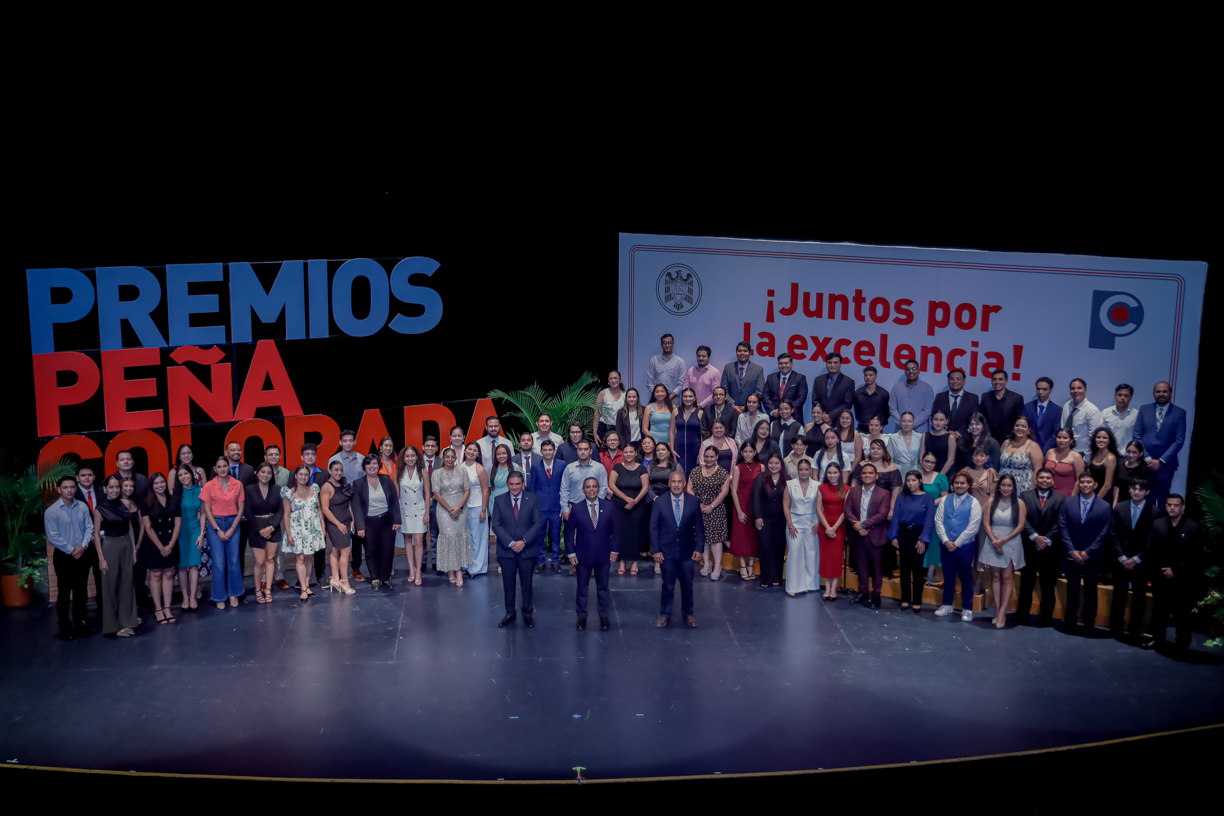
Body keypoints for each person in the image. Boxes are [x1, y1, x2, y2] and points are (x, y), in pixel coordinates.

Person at [1058, 470, 1113, 636]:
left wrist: (1088, 552)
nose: (1085, 485)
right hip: (1071, 555)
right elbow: (1062, 526)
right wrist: (1072, 550)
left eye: (1089, 482)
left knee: (1091, 591)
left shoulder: (1105, 506)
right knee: (1072, 590)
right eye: (1082, 482)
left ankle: (1089, 624)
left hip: (1092, 557)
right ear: (1078, 484)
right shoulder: (1068, 502)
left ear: (1095, 485)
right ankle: (1070, 622)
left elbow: (1104, 532)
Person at [1150, 494, 1205, 652]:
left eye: (1175, 505)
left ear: (1183, 507)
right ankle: (1158, 641)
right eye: (1169, 505)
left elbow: (1193, 554)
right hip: (1161, 576)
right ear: (1166, 506)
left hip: (1183, 578)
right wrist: (1162, 568)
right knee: (1159, 611)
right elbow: (1151, 548)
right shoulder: (1157, 524)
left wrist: (1174, 570)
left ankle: (1182, 645)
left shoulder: (1192, 527)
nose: (1172, 507)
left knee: (1182, 614)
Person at [650, 471, 706, 628]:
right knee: (667, 585)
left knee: (687, 584)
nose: (676, 485)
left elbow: (700, 528)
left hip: (687, 551)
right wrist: (655, 550)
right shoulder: (659, 502)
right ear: (669, 484)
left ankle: (688, 613)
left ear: (684, 484)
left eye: (679, 482)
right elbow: (653, 528)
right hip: (666, 552)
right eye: (673, 482)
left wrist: (699, 548)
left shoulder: (694, 501)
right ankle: (664, 614)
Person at [1109, 477, 1161, 643]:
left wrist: (1137, 558)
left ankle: (1134, 632)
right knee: (1119, 597)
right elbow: (1113, 534)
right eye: (1133, 488)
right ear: (1129, 489)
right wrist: (1123, 557)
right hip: (1121, 560)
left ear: (1147, 492)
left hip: (1141, 562)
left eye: (1140, 489)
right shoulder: (1119, 508)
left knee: (1139, 599)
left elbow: (1153, 541)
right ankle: (1116, 630)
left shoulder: (1155, 512)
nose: (1136, 491)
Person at [492, 471, 543, 627]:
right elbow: (496, 525)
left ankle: (527, 613)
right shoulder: (499, 500)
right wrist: (511, 543)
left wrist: (524, 541)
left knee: (527, 583)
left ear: (523, 484)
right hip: (506, 551)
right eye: (511, 484)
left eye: (517, 484)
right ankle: (510, 613)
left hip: (527, 550)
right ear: (507, 484)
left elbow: (538, 524)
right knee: (508, 584)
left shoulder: (533, 499)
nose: (514, 487)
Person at [46, 475, 94, 639]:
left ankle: (80, 619)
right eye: (65, 487)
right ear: (59, 489)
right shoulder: (52, 511)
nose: (69, 490)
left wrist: (83, 546)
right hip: (64, 556)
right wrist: (72, 550)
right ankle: (64, 625)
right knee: (64, 592)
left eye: (72, 487)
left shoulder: (82, 506)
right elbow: (53, 537)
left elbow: (89, 527)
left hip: (83, 553)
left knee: (81, 590)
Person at [568, 477, 619, 630]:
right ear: (583, 490)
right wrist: (571, 553)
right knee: (582, 588)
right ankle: (581, 618)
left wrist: (615, 550)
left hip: (604, 555)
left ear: (599, 489)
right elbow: (570, 533)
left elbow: (616, 531)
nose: (591, 489)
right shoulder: (576, 508)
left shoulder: (609, 507)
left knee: (603, 588)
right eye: (588, 487)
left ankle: (604, 617)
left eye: (594, 486)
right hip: (582, 556)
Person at [1016, 468, 1065, 626]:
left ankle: (1046, 618)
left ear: (1052, 481)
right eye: (1041, 478)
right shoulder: (1024, 496)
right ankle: (1022, 614)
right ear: (1036, 480)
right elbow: (1022, 519)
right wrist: (1035, 536)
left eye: (1047, 478)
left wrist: (1047, 539)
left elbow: (1060, 522)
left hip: (1050, 550)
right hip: (1029, 547)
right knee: (1026, 584)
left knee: (1048, 586)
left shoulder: (1061, 499)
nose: (1044, 480)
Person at [92, 475, 139, 637]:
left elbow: (130, 528)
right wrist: (101, 558)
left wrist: (133, 551)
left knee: (127, 584)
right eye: (111, 487)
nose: (114, 490)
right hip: (110, 547)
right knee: (110, 586)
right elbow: (96, 534)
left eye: (117, 487)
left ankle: (128, 622)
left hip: (126, 544)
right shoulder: (100, 509)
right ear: (105, 489)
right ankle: (114, 626)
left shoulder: (126, 503)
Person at [933, 471, 982, 621]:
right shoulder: (945, 499)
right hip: (946, 545)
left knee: (966, 577)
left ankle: (967, 608)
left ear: (968, 485)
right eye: (957, 483)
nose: (959, 485)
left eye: (962, 483)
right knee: (948, 576)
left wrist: (957, 543)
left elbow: (973, 527)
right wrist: (946, 540)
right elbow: (938, 520)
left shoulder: (974, 502)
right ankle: (947, 605)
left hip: (964, 547)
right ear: (952, 485)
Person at [981, 474, 1026, 629]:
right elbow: (986, 524)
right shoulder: (991, 501)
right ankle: (997, 610)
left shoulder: (1019, 503)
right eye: (1003, 485)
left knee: (1007, 577)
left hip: (1011, 542)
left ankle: (1002, 613)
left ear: (1013, 488)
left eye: (1009, 486)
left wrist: (1002, 541)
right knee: (995, 577)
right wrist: (995, 542)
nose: (1006, 488)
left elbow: (1020, 526)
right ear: (999, 486)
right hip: (992, 541)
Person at [1132, 381, 1187, 506]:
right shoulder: (1144, 409)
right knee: (1144, 499)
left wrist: (1161, 461)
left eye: (1164, 391)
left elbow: (1179, 441)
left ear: (1170, 394)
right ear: (1153, 393)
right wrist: (1147, 458)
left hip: (1166, 466)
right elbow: (1137, 435)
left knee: (1163, 500)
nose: (1161, 394)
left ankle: (1161, 525)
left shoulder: (1179, 413)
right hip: (1145, 464)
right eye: (1158, 391)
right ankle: (1145, 525)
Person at [352, 453, 402, 591]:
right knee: (371, 551)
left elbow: (394, 501)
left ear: (379, 465)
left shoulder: (386, 479)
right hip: (369, 523)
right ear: (364, 467)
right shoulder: (358, 484)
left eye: (374, 463)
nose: (372, 466)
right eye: (369, 464)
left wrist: (397, 520)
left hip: (386, 521)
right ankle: (374, 578)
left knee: (387, 550)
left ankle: (385, 578)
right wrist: (360, 527)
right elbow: (356, 507)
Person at [887, 471, 935, 612]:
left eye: (914, 480)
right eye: (908, 480)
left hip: (919, 534)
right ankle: (905, 598)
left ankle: (917, 600)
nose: (911, 483)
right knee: (905, 566)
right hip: (903, 533)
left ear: (920, 481)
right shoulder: (902, 497)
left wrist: (923, 539)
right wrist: (893, 536)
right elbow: (895, 517)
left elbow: (929, 520)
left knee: (917, 567)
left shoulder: (928, 498)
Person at [845, 463, 892, 607]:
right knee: (861, 566)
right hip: (858, 535)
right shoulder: (854, 491)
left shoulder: (884, 493)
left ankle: (876, 595)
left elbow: (882, 514)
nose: (867, 475)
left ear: (876, 476)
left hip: (875, 536)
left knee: (877, 568)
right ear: (861, 475)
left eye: (870, 473)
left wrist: (863, 525)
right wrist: (857, 526)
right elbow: (847, 511)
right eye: (864, 473)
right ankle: (863, 592)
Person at [201, 455, 244, 610]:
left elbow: (241, 509)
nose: (222, 469)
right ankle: (219, 596)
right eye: (219, 467)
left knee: (233, 562)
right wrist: (217, 529)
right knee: (218, 563)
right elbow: (206, 510)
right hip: (215, 525)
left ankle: (234, 593)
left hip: (233, 523)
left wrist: (232, 528)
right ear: (215, 468)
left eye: (224, 466)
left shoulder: (237, 484)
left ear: (228, 467)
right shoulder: (208, 486)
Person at [109, 450, 152, 606]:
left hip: (140, 526)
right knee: (123, 569)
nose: (126, 462)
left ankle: (140, 594)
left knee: (140, 565)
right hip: (119, 530)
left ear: (133, 462)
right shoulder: (111, 481)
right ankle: (126, 601)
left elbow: (147, 503)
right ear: (117, 463)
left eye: (129, 459)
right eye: (122, 459)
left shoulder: (141, 479)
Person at [280, 465, 324, 602]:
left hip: (313, 528)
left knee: (309, 558)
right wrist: (288, 534)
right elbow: (286, 515)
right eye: (301, 474)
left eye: (306, 475)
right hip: (297, 529)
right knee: (300, 559)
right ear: (296, 475)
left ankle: (307, 584)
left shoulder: (315, 488)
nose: (303, 477)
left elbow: (319, 509)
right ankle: (303, 588)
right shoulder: (288, 492)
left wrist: (322, 527)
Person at [329, 429, 366, 581]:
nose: (348, 443)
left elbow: (364, 482)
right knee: (340, 538)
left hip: (358, 502)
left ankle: (355, 568)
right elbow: (331, 481)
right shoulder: (334, 459)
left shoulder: (362, 459)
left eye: (351, 440)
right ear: (340, 442)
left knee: (357, 537)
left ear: (355, 442)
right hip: (340, 504)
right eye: (345, 441)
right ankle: (336, 572)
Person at [689, 446, 731, 581]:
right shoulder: (695, 471)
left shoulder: (723, 473)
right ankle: (706, 563)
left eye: (711, 456)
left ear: (717, 457)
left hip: (716, 509)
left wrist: (711, 506)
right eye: (706, 456)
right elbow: (688, 488)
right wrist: (697, 503)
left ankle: (717, 566)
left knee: (716, 539)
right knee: (703, 538)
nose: (708, 459)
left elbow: (724, 492)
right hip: (698, 508)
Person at [431, 448, 471, 587]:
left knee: (459, 537)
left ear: (455, 458)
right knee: (448, 537)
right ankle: (450, 569)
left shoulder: (462, 471)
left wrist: (459, 507)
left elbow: (467, 490)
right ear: (443, 458)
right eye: (447, 457)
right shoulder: (437, 473)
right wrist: (449, 509)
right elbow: (437, 494)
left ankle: (459, 570)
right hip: (443, 510)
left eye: (452, 457)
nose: (449, 459)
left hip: (460, 508)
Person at [608, 441, 649, 575]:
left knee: (635, 532)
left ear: (635, 453)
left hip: (638, 506)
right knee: (621, 532)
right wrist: (626, 499)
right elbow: (612, 485)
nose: (628, 454)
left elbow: (645, 487)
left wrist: (634, 501)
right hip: (619, 505)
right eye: (626, 452)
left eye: (631, 452)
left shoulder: (642, 468)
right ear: (623, 453)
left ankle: (635, 561)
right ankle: (622, 561)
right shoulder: (617, 467)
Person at [243, 463, 282, 605]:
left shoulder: (277, 489)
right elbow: (247, 511)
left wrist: (271, 527)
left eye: (269, 473)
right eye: (263, 472)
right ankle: (258, 590)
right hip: (256, 529)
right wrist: (260, 529)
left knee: (270, 559)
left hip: (273, 528)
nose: (266, 475)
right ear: (257, 473)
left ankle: (268, 589)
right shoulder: (249, 489)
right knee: (259, 562)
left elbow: (280, 511)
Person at [781, 459, 820, 597]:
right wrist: (790, 525)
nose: (803, 472)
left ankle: (810, 584)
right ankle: (793, 586)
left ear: (810, 470)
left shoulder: (817, 485)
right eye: (801, 469)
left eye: (806, 469)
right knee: (794, 554)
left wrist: (819, 522)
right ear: (798, 470)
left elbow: (822, 506)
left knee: (811, 553)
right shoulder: (790, 484)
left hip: (812, 523)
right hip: (795, 523)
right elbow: (786, 505)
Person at [751, 453, 788, 588]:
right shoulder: (760, 478)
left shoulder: (787, 480)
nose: (773, 466)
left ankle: (777, 577)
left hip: (781, 520)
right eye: (771, 463)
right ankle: (766, 578)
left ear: (781, 465)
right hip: (764, 519)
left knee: (778, 548)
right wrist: (758, 516)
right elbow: (755, 498)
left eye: (776, 463)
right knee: (765, 547)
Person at [319, 460, 356, 594]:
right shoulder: (326, 487)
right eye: (336, 470)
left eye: (341, 470)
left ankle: (334, 579)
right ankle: (344, 581)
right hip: (336, 524)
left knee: (336, 550)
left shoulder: (343, 485)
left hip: (345, 522)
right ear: (329, 470)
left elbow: (348, 505)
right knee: (345, 551)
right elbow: (325, 509)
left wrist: (353, 520)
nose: (339, 472)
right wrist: (338, 524)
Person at [529, 440, 565, 573]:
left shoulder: (562, 465)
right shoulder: (536, 466)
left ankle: (555, 560)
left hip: (556, 507)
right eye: (545, 450)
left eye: (550, 450)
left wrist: (564, 506)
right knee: (539, 535)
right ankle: (541, 560)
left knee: (555, 535)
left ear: (554, 451)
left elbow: (564, 486)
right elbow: (532, 488)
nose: (548, 452)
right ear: (541, 451)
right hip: (540, 507)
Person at [173, 465, 205, 611]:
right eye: (180, 475)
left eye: (186, 473)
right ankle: (185, 597)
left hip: (194, 531)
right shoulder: (175, 494)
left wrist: (202, 533)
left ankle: (193, 597)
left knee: (193, 566)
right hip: (179, 532)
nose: (183, 477)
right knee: (181, 566)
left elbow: (204, 513)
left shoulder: (200, 491)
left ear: (191, 474)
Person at [397, 446, 429, 587]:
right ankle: (411, 569)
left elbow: (427, 493)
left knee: (419, 540)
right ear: (403, 458)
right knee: (408, 540)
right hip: (404, 510)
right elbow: (396, 494)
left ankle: (418, 572)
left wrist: (427, 512)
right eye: (407, 456)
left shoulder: (423, 471)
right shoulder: (399, 472)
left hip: (419, 509)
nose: (410, 459)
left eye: (412, 456)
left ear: (417, 457)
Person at [730, 441, 761, 581]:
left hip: (755, 506)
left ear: (755, 452)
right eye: (745, 452)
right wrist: (739, 511)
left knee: (753, 536)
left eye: (750, 451)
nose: (748, 454)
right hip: (741, 505)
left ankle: (750, 565)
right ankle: (742, 565)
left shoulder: (761, 467)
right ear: (741, 453)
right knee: (741, 536)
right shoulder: (738, 468)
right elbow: (733, 491)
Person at [816, 463, 847, 600]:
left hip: (839, 528)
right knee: (825, 558)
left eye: (835, 473)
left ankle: (833, 589)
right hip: (824, 526)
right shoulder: (821, 488)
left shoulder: (846, 489)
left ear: (839, 473)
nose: (832, 475)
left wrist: (834, 528)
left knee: (835, 558)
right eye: (830, 473)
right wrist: (828, 527)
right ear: (826, 474)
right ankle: (827, 588)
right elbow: (818, 509)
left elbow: (846, 511)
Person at [919, 452, 950, 584]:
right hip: (917, 513)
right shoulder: (915, 475)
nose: (929, 464)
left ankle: (931, 573)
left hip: (935, 513)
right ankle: (918, 572)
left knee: (932, 543)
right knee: (917, 542)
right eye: (927, 461)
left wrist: (930, 504)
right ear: (922, 461)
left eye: (932, 462)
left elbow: (945, 496)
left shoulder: (941, 478)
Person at [460, 443, 491, 575]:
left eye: (475, 450)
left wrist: (483, 510)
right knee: (464, 538)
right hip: (462, 509)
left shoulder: (480, 469)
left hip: (477, 507)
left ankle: (477, 568)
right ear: (465, 450)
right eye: (469, 449)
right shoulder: (458, 467)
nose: (471, 452)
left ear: (478, 454)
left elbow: (485, 491)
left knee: (478, 539)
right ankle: (465, 565)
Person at [998, 417, 1044, 493]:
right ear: (1013, 428)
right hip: (1003, 487)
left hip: (1024, 488)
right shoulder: (1006, 443)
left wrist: (1031, 491)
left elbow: (1037, 470)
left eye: (1024, 426)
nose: (1020, 428)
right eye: (1017, 425)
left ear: (1029, 430)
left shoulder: (1033, 446)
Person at [979, 370, 1024, 445]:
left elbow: (1018, 421)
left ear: (1006, 381)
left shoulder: (1016, 398)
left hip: (1008, 441)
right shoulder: (985, 397)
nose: (997, 382)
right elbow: (981, 418)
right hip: (987, 440)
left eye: (1000, 379)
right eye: (994, 379)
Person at [1060, 379, 1103, 456]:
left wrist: (1087, 456)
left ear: (1085, 390)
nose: (1076, 391)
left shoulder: (1092, 410)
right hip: (1065, 450)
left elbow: (1093, 436)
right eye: (1073, 388)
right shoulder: (1067, 405)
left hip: (1082, 452)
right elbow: (1063, 427)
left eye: (1079, 388)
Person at [890, 359, 934, 433]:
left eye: (914, 369)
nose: (911, 371)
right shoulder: (896, 388)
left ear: (919, 371)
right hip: (900, 431)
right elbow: (892, 409)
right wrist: (903, 424)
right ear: (905, 371)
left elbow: (927, 410)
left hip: (920, 431)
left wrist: (913, 424)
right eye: (908, 369)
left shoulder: (927, 388)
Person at [721, 342, 766, 413]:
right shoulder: (728, 368)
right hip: (731, 410)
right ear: (736, 353)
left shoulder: (758, 369)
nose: (742, 353)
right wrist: (733, 405)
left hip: (751, 410)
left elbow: (759, 391)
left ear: (750, 353)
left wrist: (747, 405)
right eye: (739, 351)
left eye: (745, 351)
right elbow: (724, 389)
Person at [811, 352, 854, 426]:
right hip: (820, 420)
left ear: (840, 364)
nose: (832, 365)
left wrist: (830, 417)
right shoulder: (818, 380)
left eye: (835, 362)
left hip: (839, 422)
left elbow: (847, 404)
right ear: (826, 364)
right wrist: (822, 416)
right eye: (829, 363)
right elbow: (815, 400)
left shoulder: (848, 382)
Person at [1021, 377, 1061, 455]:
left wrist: (1044, 452)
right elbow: (1023, 428)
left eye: (1044, 389)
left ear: (1051, 390)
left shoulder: (1057, 410)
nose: (1040, 392)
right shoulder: (1028, 406)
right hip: (1027, 449)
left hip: (1047, 451)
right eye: (1038, 389)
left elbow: (1055, 433)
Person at [763, 352, 808, 420]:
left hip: (793, 417)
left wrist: (786, 410)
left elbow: (801, 399)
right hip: (775, 417)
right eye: (781, 363)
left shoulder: (800, 378)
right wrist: (772, 411)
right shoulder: (771, 378)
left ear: (791, 364)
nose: (784, 365)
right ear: (778, 364)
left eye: (786, 363)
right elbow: (765, 396)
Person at [931, 368, 978, 433]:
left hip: (964, 438)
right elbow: (934, 416)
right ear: (948, 381)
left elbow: (974, 419)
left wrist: (958, 433)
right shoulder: (940, 397)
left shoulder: (973, 398)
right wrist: (945, 432)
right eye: (952, 379)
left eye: (958, 379)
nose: (955, 381)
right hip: (943, 435)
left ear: (964, 381)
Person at [645, 333, 686, 404]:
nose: (667, 345)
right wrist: (657, 394)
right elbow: (650, 381)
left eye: (669, 342)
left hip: (673, 399)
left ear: (673, 344)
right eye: (665, 343)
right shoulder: (654, 360)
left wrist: (668, 398)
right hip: (656, 398)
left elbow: (681, 384)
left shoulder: (679, 361)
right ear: (661, 345)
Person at [1044, 429, 1085, 497]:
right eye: (1059, 437)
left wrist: (1073, 496)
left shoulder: (1076, 456)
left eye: (1065, 438)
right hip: (1048, 494)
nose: (1061, 440)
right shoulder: (1050, 452)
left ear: (1071, 440)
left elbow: (1080, 479)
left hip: (1067, 495)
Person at [672, 387, 703, 475]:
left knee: (694, 472)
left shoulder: (700, 413)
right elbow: (671, 431)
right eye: (685, 396)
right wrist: (672, 449)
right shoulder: (675, 412)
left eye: (690, 396)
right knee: (679, 472)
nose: (688, 399)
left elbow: (703, 435)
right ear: (682, 398)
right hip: (678, 448)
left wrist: (701, 451)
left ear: (694, 398)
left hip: (695, 448)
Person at [852, 366, 890, 433]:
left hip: (877, 429)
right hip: (861, 428)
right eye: (866, 375)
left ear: (876, 376)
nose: (868, 377)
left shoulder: (884, 394)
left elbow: (886, 412)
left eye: (871, 375)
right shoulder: (857, 393)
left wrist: (880, 424)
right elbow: (856, 410)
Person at [1101, 384, 1138, 452]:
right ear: (1115, 396)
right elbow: (1101, 435)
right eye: (1120, 395)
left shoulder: (1136, 415)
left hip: (1127, 454)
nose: (1122, 398)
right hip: (1107, 452)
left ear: (1131, 397)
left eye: (1126, 395)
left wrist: (1124, 452)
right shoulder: (1105, 413)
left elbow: (1136, 437)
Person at [594, 370, 626, 449]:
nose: (613, 380)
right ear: (608, 381)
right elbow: (596, 414)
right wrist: (594, 433)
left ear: (620, 380)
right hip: (604, 429)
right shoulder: (603, 393)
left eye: (615, 378)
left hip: (620, 430)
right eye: (611, 378)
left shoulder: (625, 394)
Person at [920, 409, 957, 476]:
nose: (938, 422)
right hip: (927, 474)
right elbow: (921, 458)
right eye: (936, 419)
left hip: (943, 475)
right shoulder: (925, 435)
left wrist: (939, 477)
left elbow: (950, 461)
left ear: (946, 421)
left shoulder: (950, 437)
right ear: (932, 420)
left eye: (941, 420)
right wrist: (927, 473)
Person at [1087, 427, 1119, 501]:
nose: (1101, 440)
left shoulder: (1110, 458)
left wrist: (1095, 501)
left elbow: (1107, 485)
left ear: (1109, 440)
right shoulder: (1095, 453)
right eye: (1098, 437)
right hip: (1092, 493)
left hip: (1102, 496)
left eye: (1104, 438)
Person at [1112, 441, 1147, 506]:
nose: (1131, 455)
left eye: (1134, 452)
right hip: (1120, 502)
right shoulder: (1120, 464)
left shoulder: (1144, 470)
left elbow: (1144, 491)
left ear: (1141, 453)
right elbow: (1116, 486)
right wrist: (1115, 505)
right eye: (1128, 451)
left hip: (1135, 504)